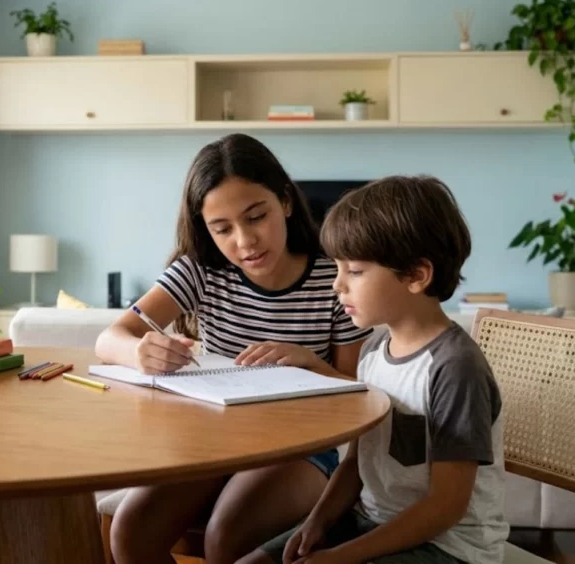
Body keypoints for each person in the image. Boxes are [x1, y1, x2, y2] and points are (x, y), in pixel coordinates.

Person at [95, 133, 371, 564]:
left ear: (285, 201)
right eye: (222, 229)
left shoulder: (333, 278)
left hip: (301, 448)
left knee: (226, 536)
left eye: (256, 216)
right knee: (131, 533)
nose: (245, 241)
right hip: (214, 440)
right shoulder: (201, 271)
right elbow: (110, 337)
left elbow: (357, 394)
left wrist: (309, 364)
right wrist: (140, 351)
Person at [243, 175, 508, 564]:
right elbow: (356, 462)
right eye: (337, 268)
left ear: (416, 275)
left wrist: (341, 556)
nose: (337, 285)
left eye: (354, 271)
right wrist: (317, 521)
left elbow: (445, 507)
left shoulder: (455, 368)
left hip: (448, 546)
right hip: (370, 520)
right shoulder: (372, 351)